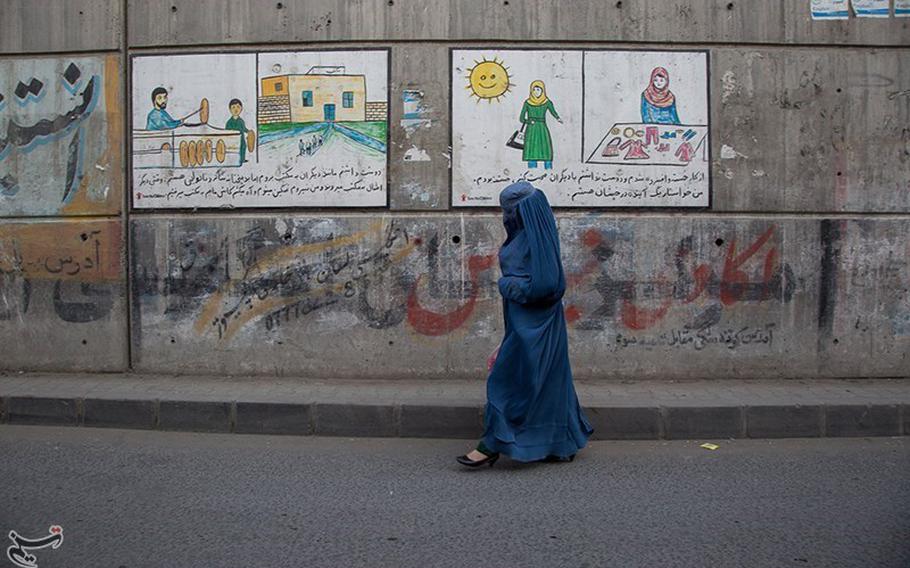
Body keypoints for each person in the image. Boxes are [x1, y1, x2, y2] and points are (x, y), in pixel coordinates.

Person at [457, 181, 593, 468]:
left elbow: (546, 286)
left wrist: (505, 284)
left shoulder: (534, 238)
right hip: (524, 322)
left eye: (509, 210)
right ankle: (560, 444)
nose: (505, 215)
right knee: (548, 382)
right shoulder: (529, 233)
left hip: (535, 324)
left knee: (510, 381)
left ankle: (492, 443)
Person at [519, 80, 562, 170]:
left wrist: (558, 118)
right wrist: (529, 122)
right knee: (532, 153)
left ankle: (549, 172)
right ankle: (531, 172)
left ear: (543, 90)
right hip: (531, 130)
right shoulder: (527, 103)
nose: (536, 92)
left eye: (538, 89)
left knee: (546, 151)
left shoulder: (547, 102)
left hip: (542, 129)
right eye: (534, 90)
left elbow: (553, 112)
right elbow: (521, 118)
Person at [225, 99, 249, 164]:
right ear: (230, 109)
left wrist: (248, 132)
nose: (236, 109)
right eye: (233, 107)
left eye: (238, 107)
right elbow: (227, 131)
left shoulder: (241, 121)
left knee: (243, 148)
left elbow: (244, 128)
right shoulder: (229, 122)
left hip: (241, 139)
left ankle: (242, 159)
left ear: (241, 109)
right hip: (233, 140)